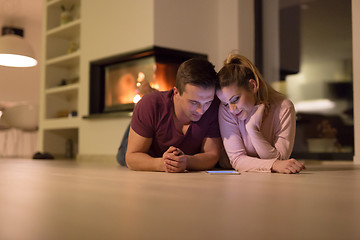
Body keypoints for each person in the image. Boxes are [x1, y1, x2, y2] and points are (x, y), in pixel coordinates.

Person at [125, 58, 222, 172]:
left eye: (207, 102)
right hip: (147, 144)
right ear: (176, 92)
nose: (201, 110)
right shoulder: (150, 104)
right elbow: (131, 158)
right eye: (194, 102)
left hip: (160, 129)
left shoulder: (214, 107)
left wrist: (186, 161)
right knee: (123, 153)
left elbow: (212, 155)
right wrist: (162, 164)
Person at [216, 53, 305, 174]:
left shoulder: (284, 108)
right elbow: (237, 160)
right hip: (232, 176)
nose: (231, 109)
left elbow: (281, 160)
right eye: (226, 103)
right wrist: (274, 164)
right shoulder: (226, 110)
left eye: (235, 99)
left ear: (253, 86)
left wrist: (253, 130)